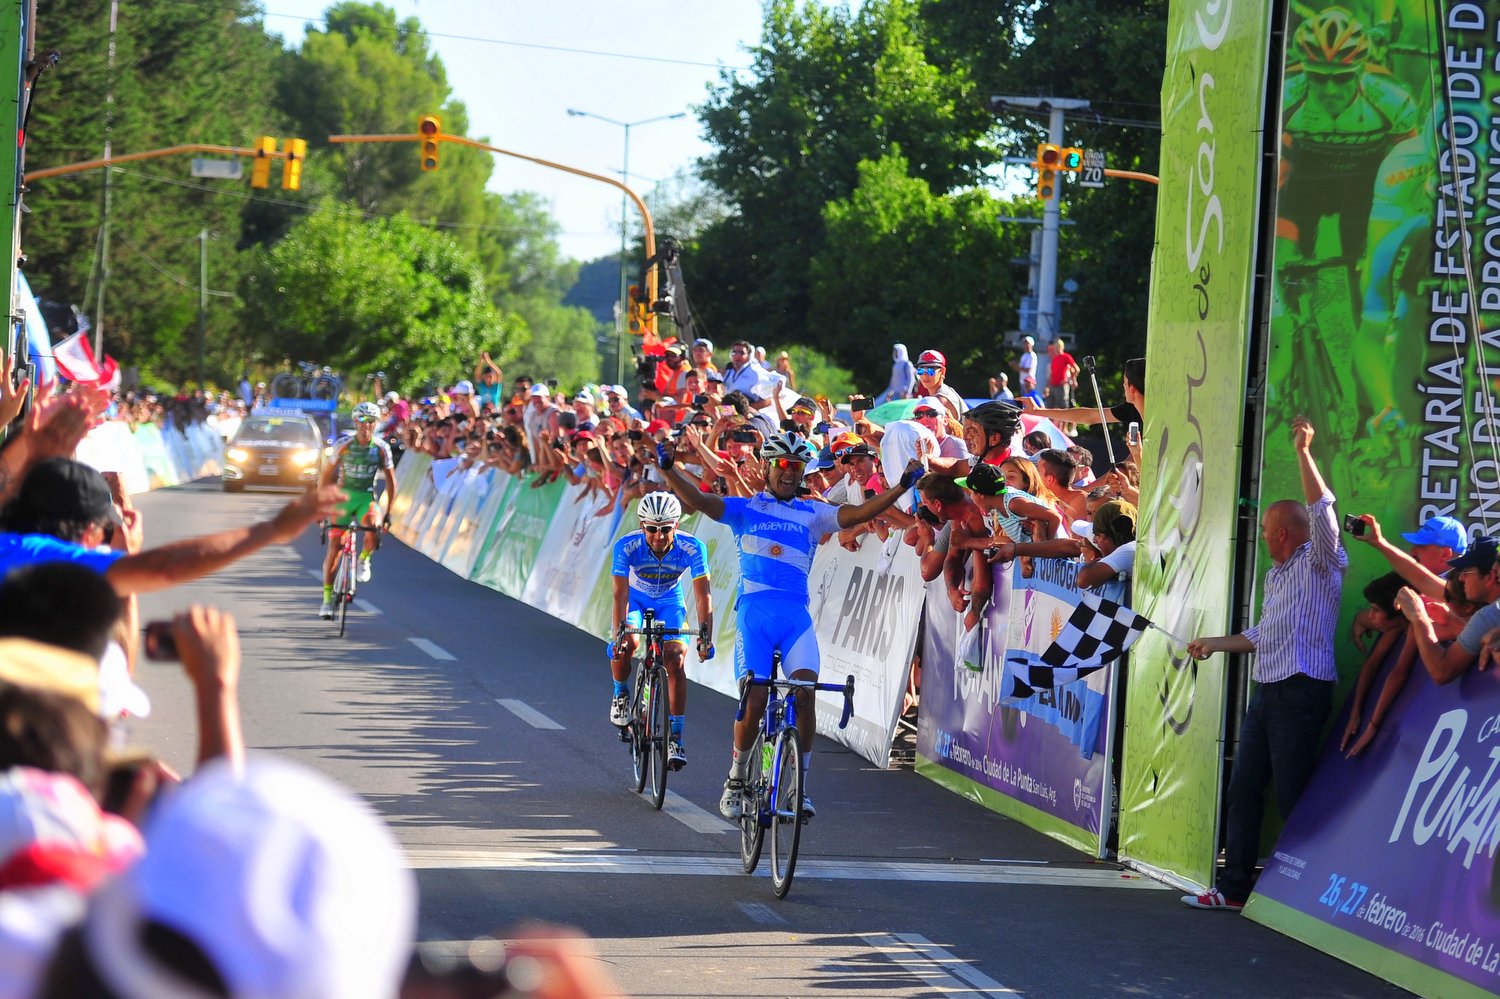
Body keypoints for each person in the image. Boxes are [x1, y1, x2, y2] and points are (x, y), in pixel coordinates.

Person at [654, 431, 922, 821]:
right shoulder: (746, 509)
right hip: (754, 620)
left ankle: (799, 785)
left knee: (805, 693)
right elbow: (701, 501)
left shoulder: (813, 513)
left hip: (796, 620)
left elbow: (859, 514)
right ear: (766, 468)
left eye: (796, 467)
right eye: (781, 465)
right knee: (757, 699)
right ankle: (737, 776)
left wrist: (900, 486)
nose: (789, 473)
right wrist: (670, 471)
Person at [1184, 416, 1346, 910]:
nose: (1263, 538)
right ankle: (1234, 889)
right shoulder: (1277, 578)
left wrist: (1304, 452)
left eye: (1266, 531)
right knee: (1243, 788)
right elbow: (1262, 634)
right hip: (1269, 689)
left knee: (1293, 793)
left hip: (1302, 688)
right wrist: (1215, 642)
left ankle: (1302, 894)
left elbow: (1323, 513)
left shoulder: (1322, 560)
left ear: (1280, 533)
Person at [0, 458, 341, 596]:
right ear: (88, 530)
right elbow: (163, 567)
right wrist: (272, 530)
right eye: (105, 532)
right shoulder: (46, 560)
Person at [607, 492, 714, 770]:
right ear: (642, 526)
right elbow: (619, 595)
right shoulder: (626, 546)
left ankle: (675, 738)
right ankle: (620, 693)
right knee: (627, 642)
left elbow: (703, 596)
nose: (658, 535)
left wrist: (706, 636)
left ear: (676, 526)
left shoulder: (692, 547)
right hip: (636, 600)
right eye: (652, 529)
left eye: (665, 528)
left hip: (670, 602)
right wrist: (618, 633)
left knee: (675, 659)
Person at [318, 402, 396, 619]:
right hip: (343, 498)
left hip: (365, 498)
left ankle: (364, 558)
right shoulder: (344, 444)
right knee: (335, 546)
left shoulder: (381, 447)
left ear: (376, 424)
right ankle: (326, 600)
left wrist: (388, 512)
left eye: (371, 421)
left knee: (373, 527)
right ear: (355, 421)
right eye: (362, 421)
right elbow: (325, 477)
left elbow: (391, 483)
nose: (366, 426)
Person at [1393, 536, 1500, 685]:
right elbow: (1422, 579)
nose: (1461, 578)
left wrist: (1418, 617)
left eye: (1467, 571)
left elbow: (1442, 671)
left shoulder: (1488, 616)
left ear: (1491, 576)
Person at [913, 350, 966, 419]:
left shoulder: (941, 399)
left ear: (942, 372)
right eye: (921, 371)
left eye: (930, 371)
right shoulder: (944, 392)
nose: (924, 376)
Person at [1044, 339, 1081, 407]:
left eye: (1058, 346)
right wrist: (1047, 387)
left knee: (1062, 407)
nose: (1056, 349)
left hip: (1061, 386)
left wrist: (1073, 379)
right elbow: (1051, 374)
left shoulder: (1066, 357)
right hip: (1053, 386)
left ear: (1062, 347)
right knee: (1049, 407)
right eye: (1056, 347)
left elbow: (1076, 369)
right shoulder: (1054, 359)